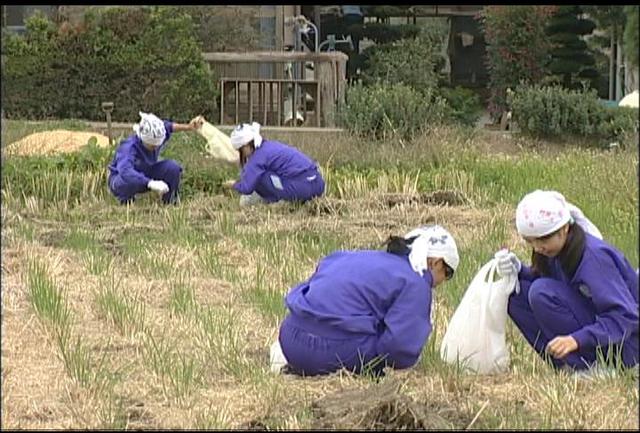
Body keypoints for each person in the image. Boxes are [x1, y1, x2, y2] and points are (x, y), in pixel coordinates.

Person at [278, 224, 459, 377]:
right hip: (333, 352)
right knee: (382, 340)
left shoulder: (348, 256)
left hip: (289, 337)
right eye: (448, 273)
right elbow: (399, 350)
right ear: (436, 263)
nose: (443, 281)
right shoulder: (415, 283)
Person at [494, 190, 638, 372]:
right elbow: (555, 282)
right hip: (593, 327)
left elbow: (626, 317)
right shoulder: (555, 250)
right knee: (512, 292)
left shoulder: (594, 259)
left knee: (541, 292)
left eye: (543, 239)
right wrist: (518, 271)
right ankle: (566, 366)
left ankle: (595, 367)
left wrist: (576, 340)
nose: (538, 248)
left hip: (627, 346)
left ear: (564, 228)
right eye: (530, 241)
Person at [108, 112, 201, 205]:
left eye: (158, 145)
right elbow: (126, 172)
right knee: (129, 181)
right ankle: (126, 203)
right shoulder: (128, 148)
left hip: (147, 170)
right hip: (121, 179)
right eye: (152, 146)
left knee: (173, 168)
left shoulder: (158, 132)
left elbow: (169, 127)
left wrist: (189, 127)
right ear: (143, 140)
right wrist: (150, 183)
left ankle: (170, 203)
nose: (156, 148)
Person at [222, 122, 325, 206]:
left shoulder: (257, 158)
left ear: (246, 146)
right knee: (264, 174)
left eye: (240, 151)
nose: (242, 155)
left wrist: (233, 185)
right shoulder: (269, 146)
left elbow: (247, 188)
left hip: (302, 188)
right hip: (318, 183)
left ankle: (277, 202)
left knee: (259, 178)